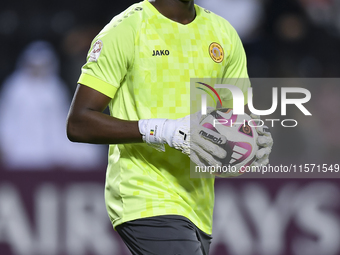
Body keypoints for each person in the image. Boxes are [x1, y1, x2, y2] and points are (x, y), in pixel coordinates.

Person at [67, 0, 272, 254]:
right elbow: (78, 123)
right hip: (143, 193)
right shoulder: (127, 28)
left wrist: (247, 145)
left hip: (198, 205)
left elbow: (233, 119)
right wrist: (164, 131)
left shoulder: (224, 33)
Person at [0, 41, 105, 170]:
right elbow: (6, 121)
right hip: (19, 150)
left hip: (54, 149)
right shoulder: (15, 87)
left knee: (90, 151)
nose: (38, 70)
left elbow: (62, 121)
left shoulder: (55, 88)